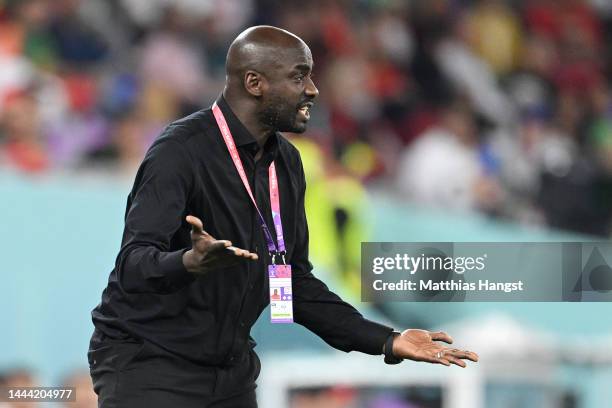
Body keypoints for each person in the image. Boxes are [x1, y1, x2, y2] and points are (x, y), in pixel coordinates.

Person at [88, 25, 478, 408]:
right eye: (298, 76)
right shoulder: (180, 151)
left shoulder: (287, 163)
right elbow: (133, 265)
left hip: (229, 371)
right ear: (254, 83)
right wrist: (188, 262)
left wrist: (387, 340)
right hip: (151, 363)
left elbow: (290, 288)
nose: (312, 89)